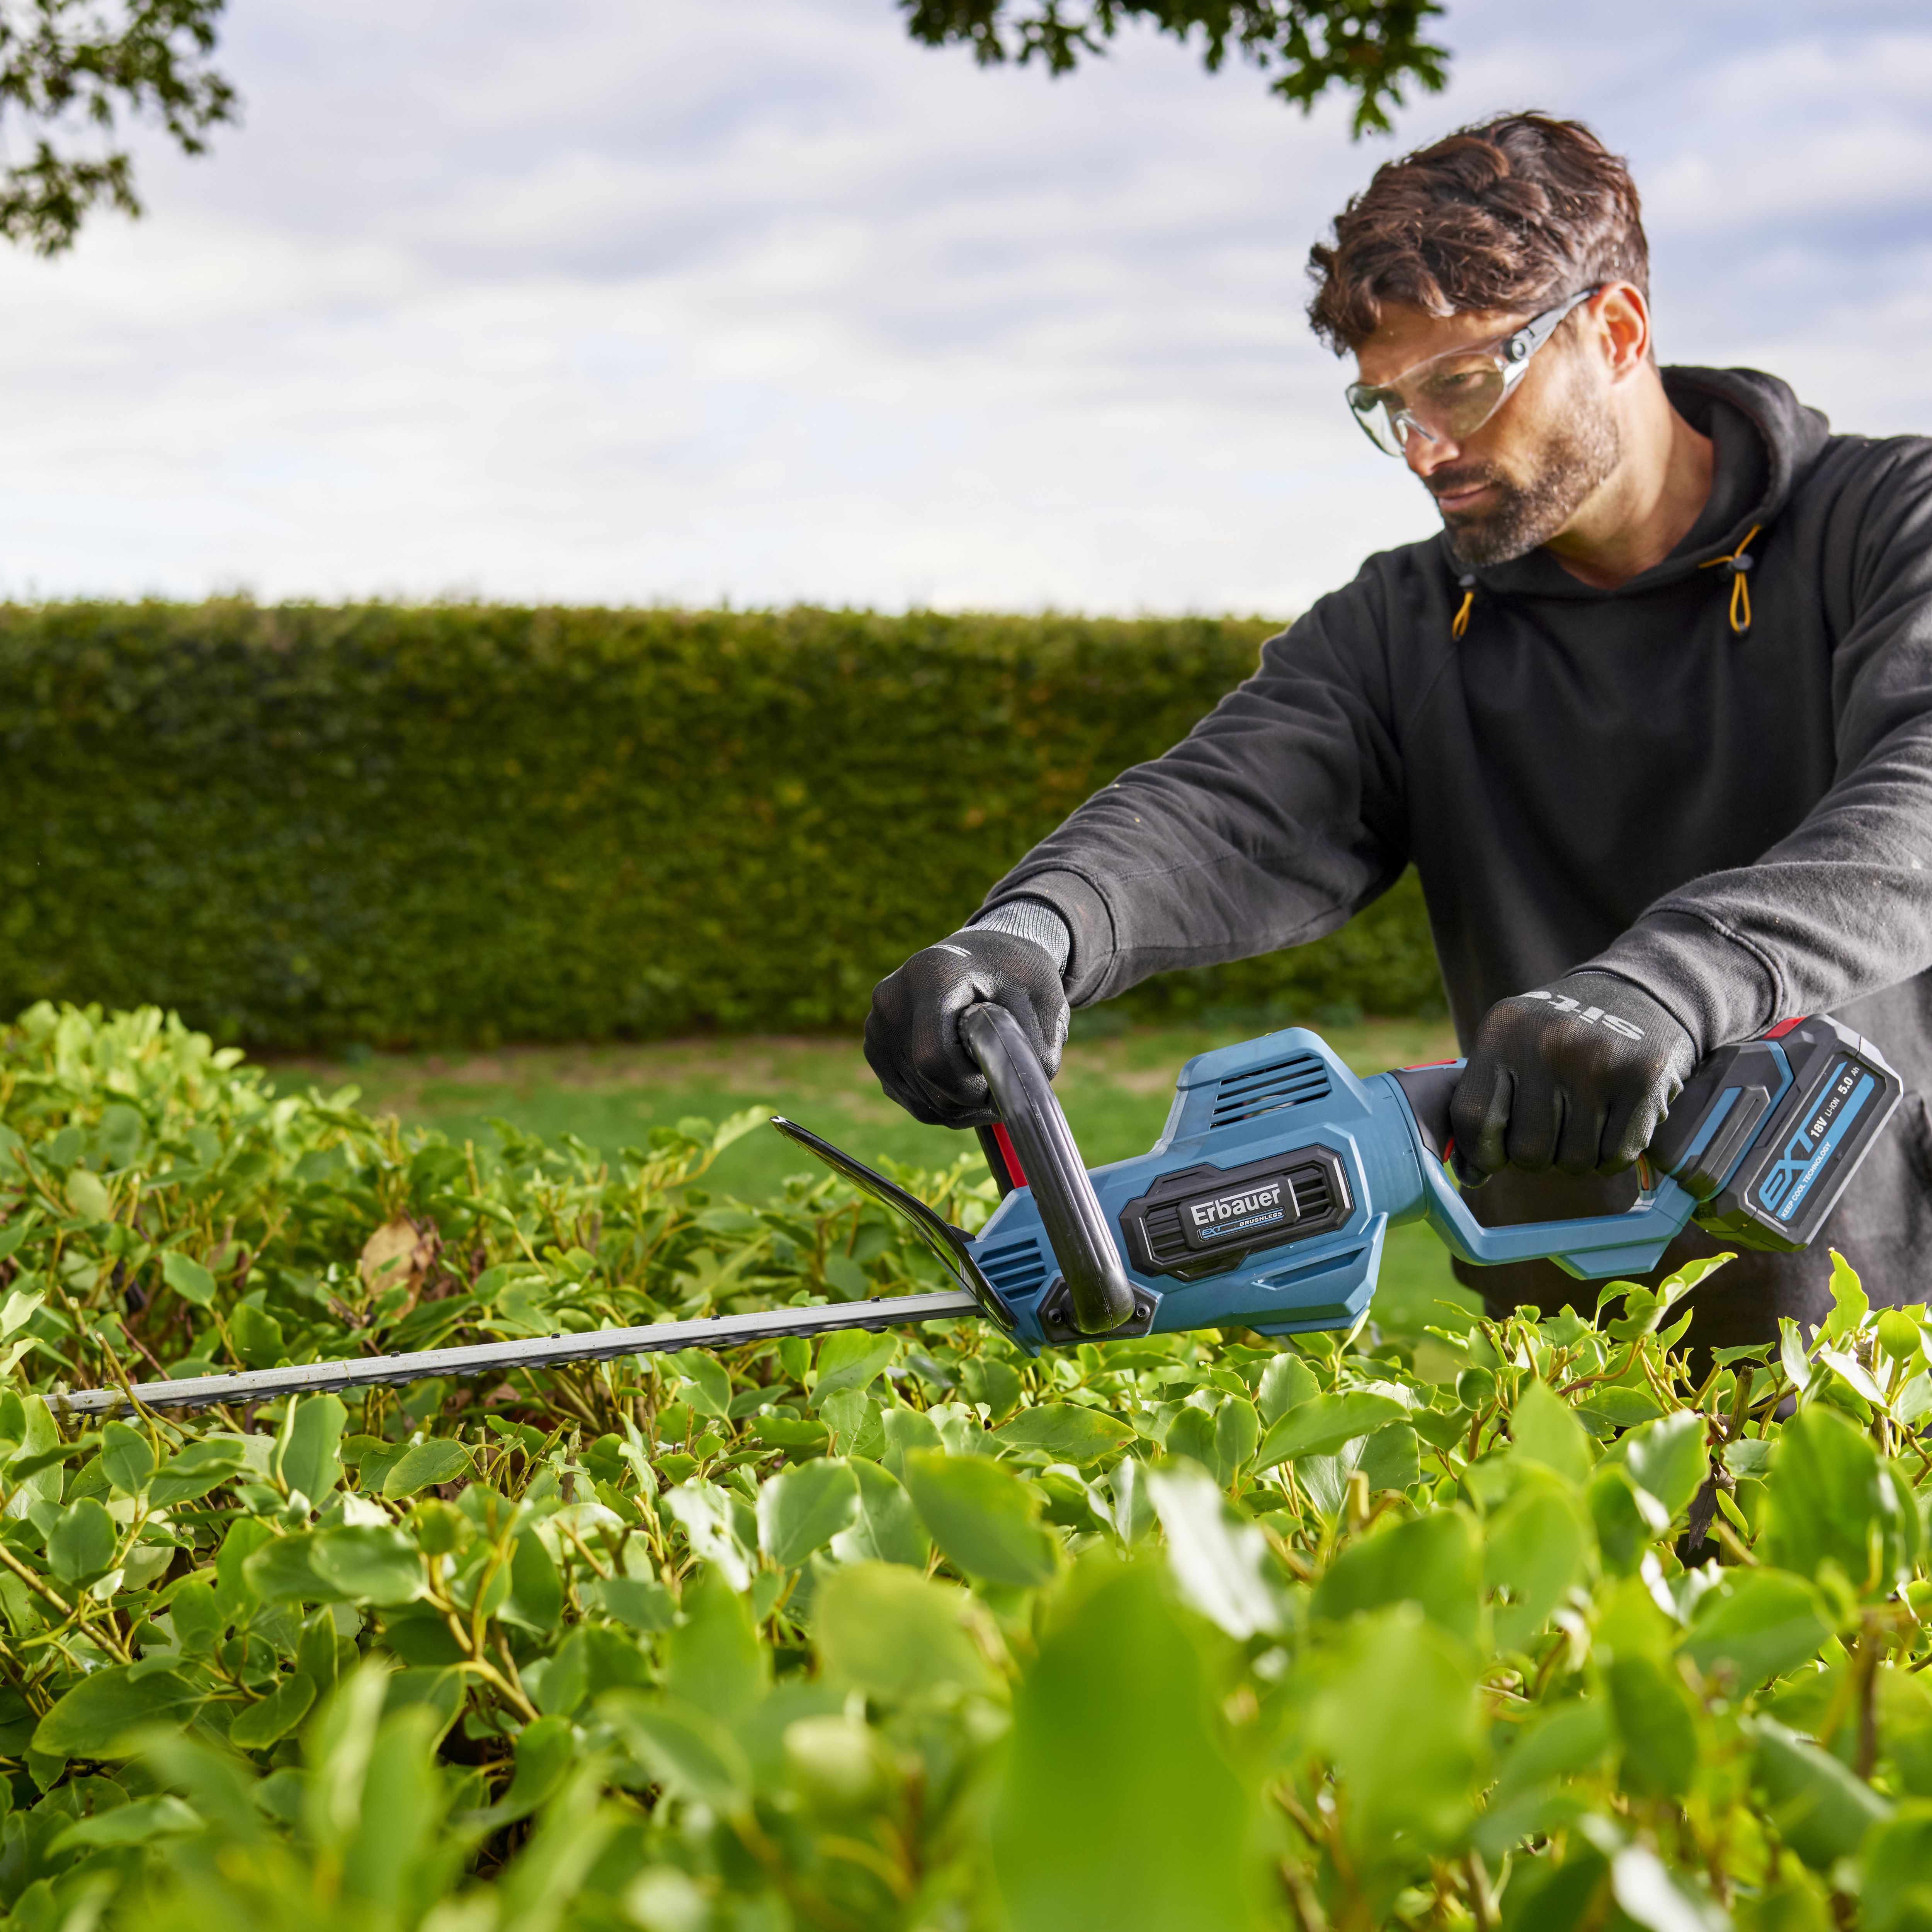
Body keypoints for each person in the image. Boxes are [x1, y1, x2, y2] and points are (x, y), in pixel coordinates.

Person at [862, 113, 1932, 1350]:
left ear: (1616, 331)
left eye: (1461, 385)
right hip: (1581, 1331)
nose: (1424, 448)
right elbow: (1229, 808)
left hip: (1894, 1315)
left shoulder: (1884, 524)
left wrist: (1663, 988)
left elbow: (1914, 811)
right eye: (1387, 404)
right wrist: (1035, 931)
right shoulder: (1408, 623)